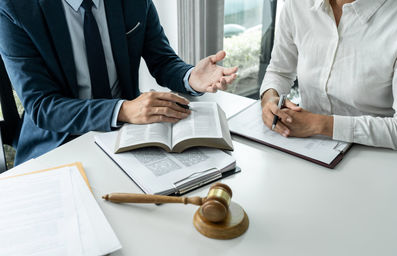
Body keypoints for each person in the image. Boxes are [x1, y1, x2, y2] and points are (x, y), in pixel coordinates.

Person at [0, 0, 238, 165]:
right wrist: (123, 109)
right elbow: (43, 107)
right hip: (59, 142)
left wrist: (191, 77)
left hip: (129, 134)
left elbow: (162, 59)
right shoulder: (14, 9)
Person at [260, 0, 397, 149]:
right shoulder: (298, 4)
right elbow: (279, 71)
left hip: (376, 154)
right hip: (305, 147)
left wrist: (320, 124)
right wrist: (270, 99)